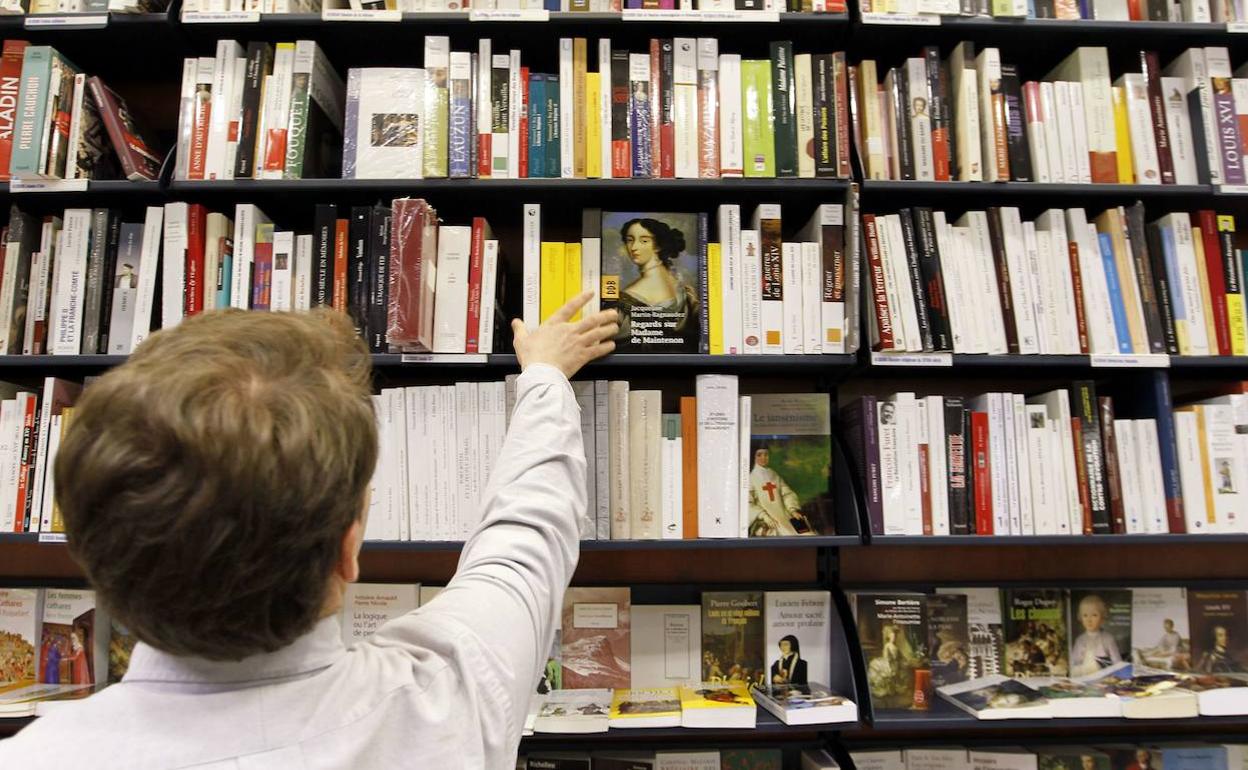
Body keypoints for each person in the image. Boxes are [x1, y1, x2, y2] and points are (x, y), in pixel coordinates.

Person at [0, 295, 618, 769]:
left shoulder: (36, 756)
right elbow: (526, 533)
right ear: (348, 551)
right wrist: (544, 376)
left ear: (95, 556)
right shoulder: (444, 698)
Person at [612, 218, 698, 349]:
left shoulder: (625, 300)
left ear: (658, 245)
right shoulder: (683, 287)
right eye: (630, 240)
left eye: (644, 241)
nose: (634, 247)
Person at [747, 445, 813, 537]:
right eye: (759, 455)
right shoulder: (751, 478)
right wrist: (764, 516)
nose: (763, 458)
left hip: (786, 516)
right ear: (753, 457)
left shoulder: (774, 474)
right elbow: (748, 503)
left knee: (808, 534)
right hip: (769, 521)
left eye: (766, 454)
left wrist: (792, 510)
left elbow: (787, 494)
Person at [1070, 594, 1122, 676]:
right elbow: (1074, 662)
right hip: (1085, 676)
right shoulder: (1080, 640)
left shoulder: (1108, 638)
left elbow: (1117, 662)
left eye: (1094, 615)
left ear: (1102, 618)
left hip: (1104, 677)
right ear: (1080, 617)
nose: (1089, 620)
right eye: (1085, 615)